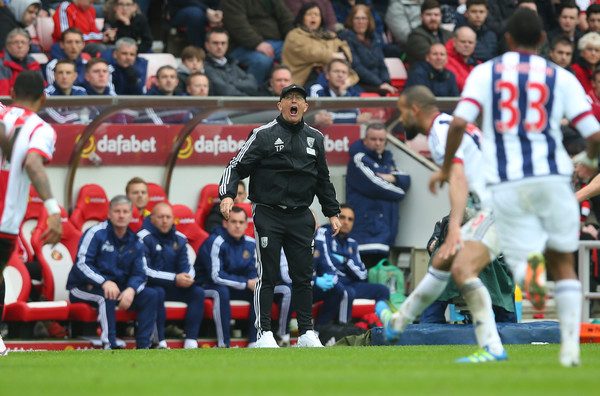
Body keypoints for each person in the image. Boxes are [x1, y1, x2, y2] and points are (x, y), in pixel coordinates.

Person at [428, 8, 600, 366]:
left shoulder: (486, 72)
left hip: (508, 180)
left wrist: (445, 167)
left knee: (482, 255)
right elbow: (594, 133)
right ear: (543, 41)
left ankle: (522, 286)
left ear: (506, 39)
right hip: (552, 178)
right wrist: (589, 161)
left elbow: (459, 123)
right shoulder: (561, 76)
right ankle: (569, 347)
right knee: (562, 263)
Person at [218, 84, 341, 348]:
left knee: (303, 275)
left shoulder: (316, 138)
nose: (293, 102)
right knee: (268, 274)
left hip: (300, 215)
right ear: (280, 105)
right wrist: (227, 195)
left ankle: (307, 333)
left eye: (298, 99)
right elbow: (235, 166)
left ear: (306, 107)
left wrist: (332, 212)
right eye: (288, 98)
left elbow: (323, 179)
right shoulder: (263, 135)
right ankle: (264, 333)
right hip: (268, 213)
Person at [0, 71, 63, 357]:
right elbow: (33, 165)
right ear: (44, 98)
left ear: (12, 92)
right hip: (6, 219)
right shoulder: (41, 129)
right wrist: (53, 210)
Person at [67, 195, 158, 349]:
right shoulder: (95, 233)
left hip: (118, 289)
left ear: (131, 215)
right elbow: (82, 264)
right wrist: (104, 282)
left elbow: (140, 273)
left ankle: (145, 346)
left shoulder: (135, 241)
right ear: (109, 214)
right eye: (117, 211)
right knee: (106, 296)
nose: (121, 215)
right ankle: (109, 343)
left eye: (125, 212)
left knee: (151, 295)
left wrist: (131, 289)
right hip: (82, 287)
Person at [196, 206, 291, 347]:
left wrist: (253, 282)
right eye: (233, 222)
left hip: (237, 285)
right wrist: (246, 283)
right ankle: (224, 344)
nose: (237, 226)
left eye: (241, 222)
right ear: (225, 223)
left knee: (258, 291)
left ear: (247, 224)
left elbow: (252, 271)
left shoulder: (251, 243)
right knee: (221, 292)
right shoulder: (215, 241)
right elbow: (216, 276)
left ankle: (254, 341)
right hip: (208, 285)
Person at [138, 202, 205, 349]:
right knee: (157, 292)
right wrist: (175, 279)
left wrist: (187, 277)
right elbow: (145, 271)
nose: (164, 220)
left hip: (175, 286)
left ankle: (191, 341)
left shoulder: (180, 238)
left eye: (168, 217)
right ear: (152, 218)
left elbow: (187, 266)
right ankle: (160, 341)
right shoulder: (143, 237)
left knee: (197, 292)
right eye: (160, 217)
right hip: (152, 285)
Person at [346, 123, 411, 269]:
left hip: (384, 233)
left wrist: (393, 178)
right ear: (365, 140)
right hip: (366, 234)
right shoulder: (359, 159)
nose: (377, 143)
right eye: (373, 139)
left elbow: (406, 178)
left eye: (381, 140)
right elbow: (377, 186)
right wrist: (399, 191)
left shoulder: (387, 160)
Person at [313, 204, 390, 325]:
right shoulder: (324, 234)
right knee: (347, 291)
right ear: (335, 218)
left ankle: (384, 321)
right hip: (330, 282)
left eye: (350, 219)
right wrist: (347, 263)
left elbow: (363, 274)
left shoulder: (352, 243)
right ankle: (338, 330)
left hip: (350, 283)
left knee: (383, 290)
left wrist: (345, 261)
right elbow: (324, 263)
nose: (346, 222)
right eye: (342, 217)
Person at [282, 2, 355, 88]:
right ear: (302, 17)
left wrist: (341, 55)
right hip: (305, 79)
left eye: (317, 14)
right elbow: (311, 53)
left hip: (331, 76)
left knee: (351, 88)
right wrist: (333, 55)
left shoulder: (328, 35)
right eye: (309, 14)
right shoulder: (294, 35)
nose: (313, 17)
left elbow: (343, 48)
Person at [222, 0, 294, 85]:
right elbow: (237, 25)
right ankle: (253, 93)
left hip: (276, 42)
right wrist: (257, 43)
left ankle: (294, 92)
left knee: (296, 53)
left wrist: (293, 39)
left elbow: (286, 18)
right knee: (262, 61)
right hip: (241, 45)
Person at [338, 4, 397, 95]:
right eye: (357, 18)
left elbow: (382, 64)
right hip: (359, 83)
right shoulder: (346, 38)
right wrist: (380, 83)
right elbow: (357, 67)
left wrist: (386, 82)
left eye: (364, 18)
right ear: (351, 20)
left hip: (379, 83)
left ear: (369, 21)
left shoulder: (375, 38)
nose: (360, 22)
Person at [309, 59, 370, 125]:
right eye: (336, 71)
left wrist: (343, 93)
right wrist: (354, 119)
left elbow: (356, 114)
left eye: (344, 72)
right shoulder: (317, 89)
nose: (340, 75)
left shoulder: (352, 92)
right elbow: (321, 118)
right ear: (327, 75)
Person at [203, 28, 258, 97]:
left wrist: (231, 83)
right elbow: (224, 91)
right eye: (215, 43)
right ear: (207, 45)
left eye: (223, 43)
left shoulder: (232, 63)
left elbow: (253, 85)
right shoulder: (204, 67)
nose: (219, 46)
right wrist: (247, 97)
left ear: (227, 45)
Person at [405, 0, 452, 64]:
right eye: (428, 14)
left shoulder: (448, 34)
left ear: (441, 16)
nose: (433, 18)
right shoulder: (415, 36)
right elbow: (434, 58)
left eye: (436, 15)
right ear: (421, 17)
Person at [0, 28, 42, 96]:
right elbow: (3, 95)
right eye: (15, 42)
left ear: (28, 46)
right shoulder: (1, 64)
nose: (20, 46)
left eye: (23, 42)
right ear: (8, 46)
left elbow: (42, 89)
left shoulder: (34, 63)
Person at [445, 26, 478, 92]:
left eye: (470, 42)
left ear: (475, 45)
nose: (467, 45)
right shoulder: (445, 60)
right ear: (454, 42)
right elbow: (462, 85)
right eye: (463, 42)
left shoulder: (477, 63)